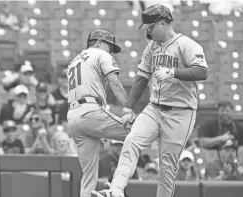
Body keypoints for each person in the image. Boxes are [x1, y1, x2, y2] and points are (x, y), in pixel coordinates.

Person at [92, 4, 208, 197]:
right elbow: (141, 78)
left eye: (150, 27)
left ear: (162, 23)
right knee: (131, 141)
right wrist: (129, 108)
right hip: (154, 108)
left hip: (182, 112)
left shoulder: (187, 45)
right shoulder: (152, 47)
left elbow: (202, 72)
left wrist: (173, 72)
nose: (147, 30)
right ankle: (116, 190)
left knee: (166, 169)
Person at [66, 29, 132, 197]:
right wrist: (127, 110)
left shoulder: (74, 61)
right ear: (98, 42)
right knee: (139, 134)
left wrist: (96, 128)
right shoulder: (100, 54)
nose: (111, 51)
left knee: (88, 175)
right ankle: (115, 190)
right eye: (110, 46)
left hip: (74, 116)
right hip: (90, 110)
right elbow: (115, 84)